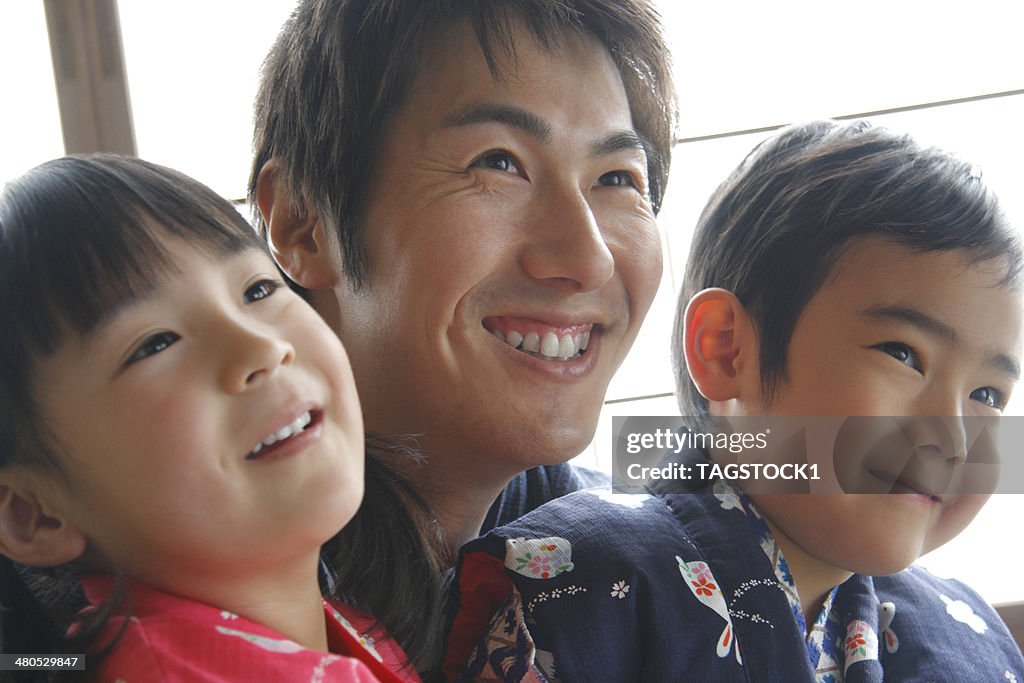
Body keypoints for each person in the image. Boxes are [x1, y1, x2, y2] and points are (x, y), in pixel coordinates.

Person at [444, 120, 1024, 681]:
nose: (952, 436)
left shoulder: (967, 640)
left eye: (987, 394)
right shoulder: (585, 584)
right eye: (903, 354)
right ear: (727, 351)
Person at [249, 0, 677, 672]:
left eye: (617, 178)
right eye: (499, 163)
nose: (588, 257)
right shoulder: (160, 600)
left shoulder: (639, 558)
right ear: (303, 222)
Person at [0, 155, 420, 682]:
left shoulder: (346, 624)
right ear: (33, 514)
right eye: (155, 343)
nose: (261, 347)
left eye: (258, 290)